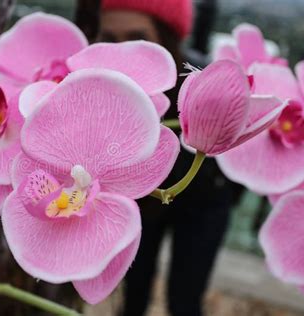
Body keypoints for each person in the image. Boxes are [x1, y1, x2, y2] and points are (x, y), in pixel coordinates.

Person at [95, 1, 234, 315]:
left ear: (168, 37)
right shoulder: (98, 89)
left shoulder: (202, 81)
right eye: (110, 38)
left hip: (204, 203)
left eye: (138, 38)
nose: (124, 50)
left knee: (185, 301)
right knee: (134, 296)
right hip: (144, 201)